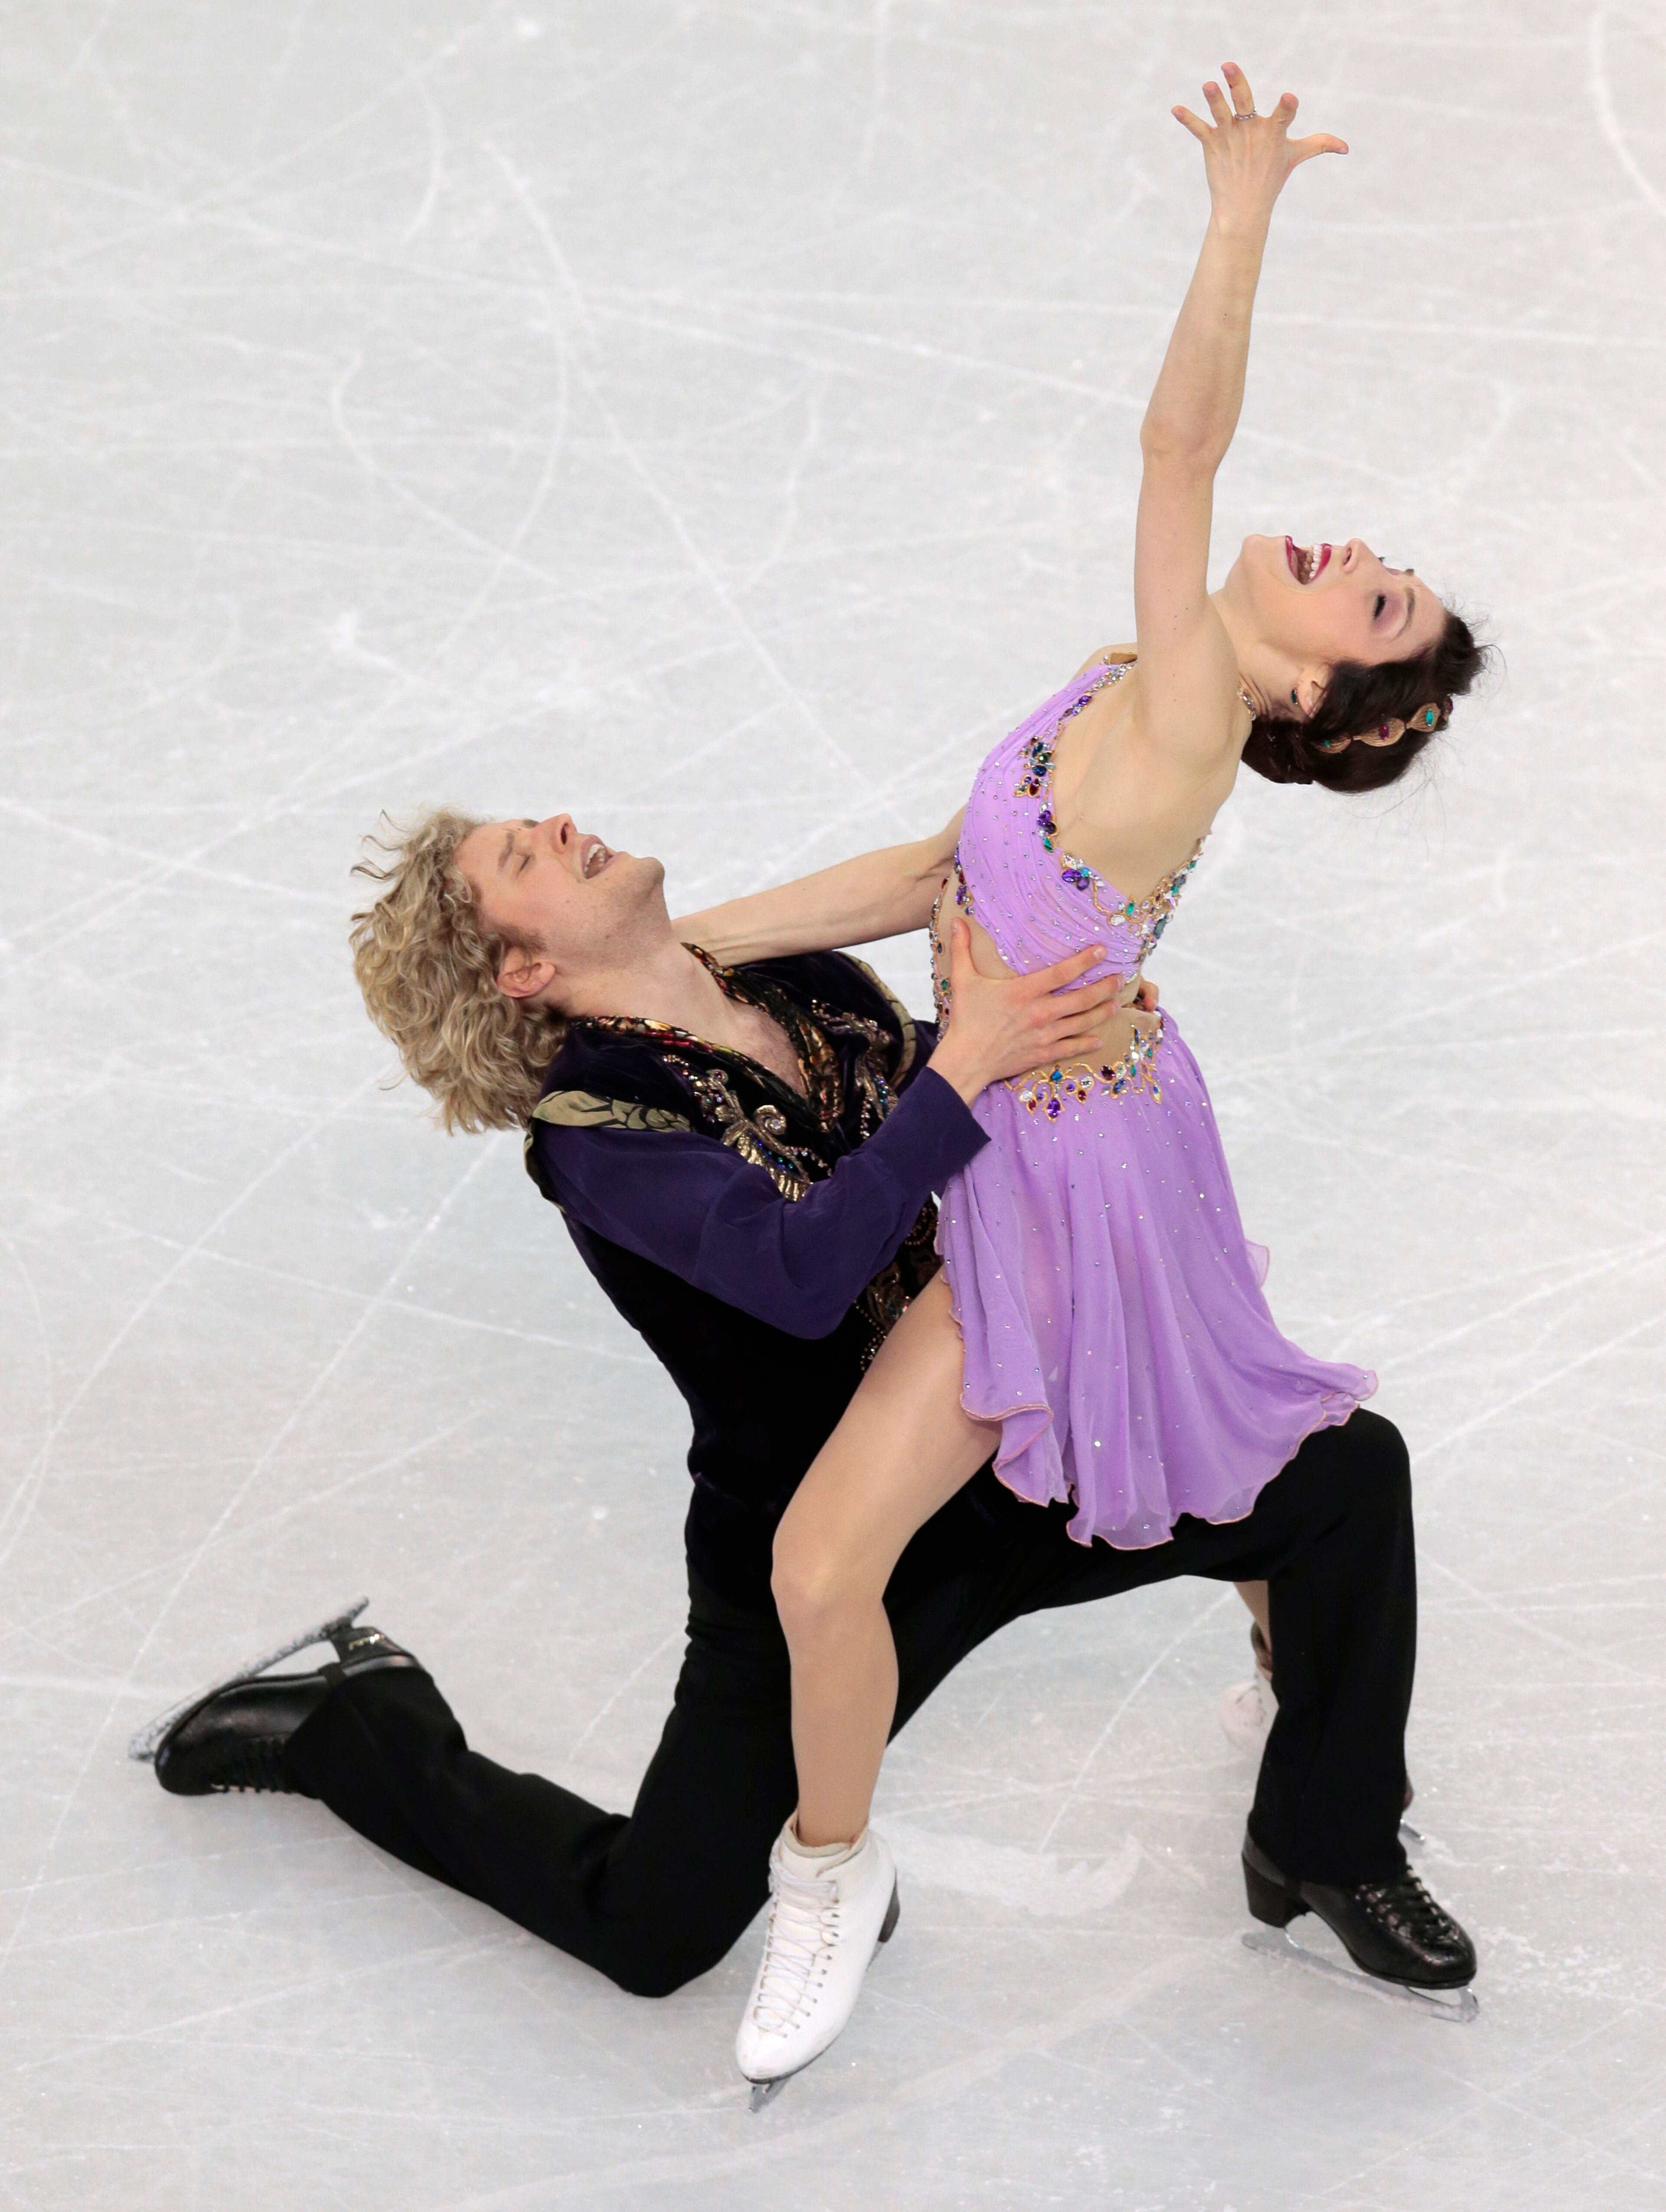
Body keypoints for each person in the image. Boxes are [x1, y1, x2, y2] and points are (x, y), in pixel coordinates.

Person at [657, 65, 1487, 2088]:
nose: (1352, 551)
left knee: (839, 1557)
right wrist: (693, 944)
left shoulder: (1195, 707)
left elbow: (1179, 436)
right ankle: (881, 1841)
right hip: (1051, 1122)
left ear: (1313, 696)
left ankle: (834, 1870)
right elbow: (936, 864)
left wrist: (1239, 216)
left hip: (1077, 1177)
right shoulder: (1120, 692)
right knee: (894, 1543)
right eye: (1381, 561)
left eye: (1373, 598)